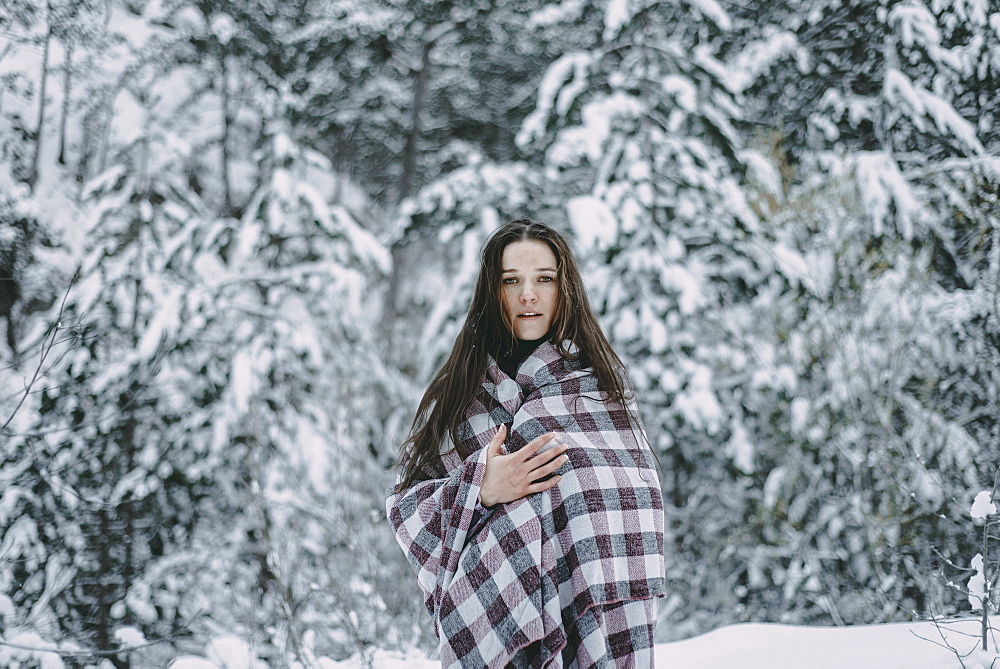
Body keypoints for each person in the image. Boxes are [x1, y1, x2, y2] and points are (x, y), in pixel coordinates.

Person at [387, 219, 665, 668]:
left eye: (544, 279)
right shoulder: (461, 393)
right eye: (511, 280)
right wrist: (479, 487)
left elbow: (634, 512)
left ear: (565, 288)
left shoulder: (599, 393)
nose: (528, 295)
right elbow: (405, 507)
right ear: (491, 292)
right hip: (497, 628)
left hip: (592, 627)